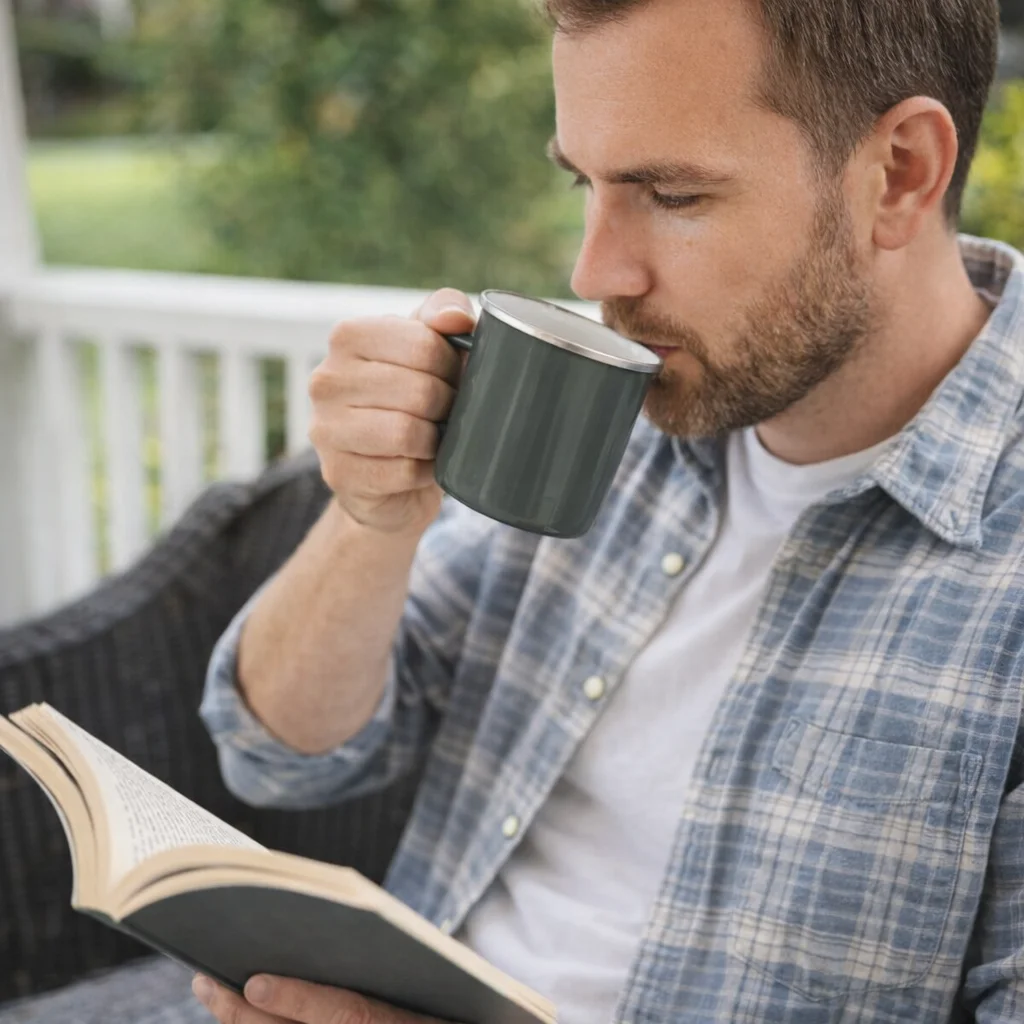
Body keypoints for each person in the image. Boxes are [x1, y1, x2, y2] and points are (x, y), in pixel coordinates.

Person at [195, 0, 1024, 1021]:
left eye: (671, 194)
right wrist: (377, 514)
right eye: (583, 185)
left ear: (898, 170)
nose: (595, 275)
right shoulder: (608, 430)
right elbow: (278, 751)